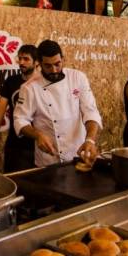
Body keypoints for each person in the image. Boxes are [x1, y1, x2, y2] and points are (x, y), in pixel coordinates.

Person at [13, 40, 102, 168]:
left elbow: (90, 111)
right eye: (48, 66)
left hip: (79, 154)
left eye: (57, 64)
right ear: (39, 63)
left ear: (63, 59)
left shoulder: (78, 78)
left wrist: (90, 140)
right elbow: (20, 120)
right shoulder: (29, 88)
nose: (54, 70)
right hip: (48, 159)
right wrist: (37, 135)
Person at [0, 44, 38, 172]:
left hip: (38, 145)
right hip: (15, 145)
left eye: (26, 59)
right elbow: (0, 108)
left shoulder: (42, 83)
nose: (21, 62)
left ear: (36, 62)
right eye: (19, 58)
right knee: (14, 182)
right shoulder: (11, 81)